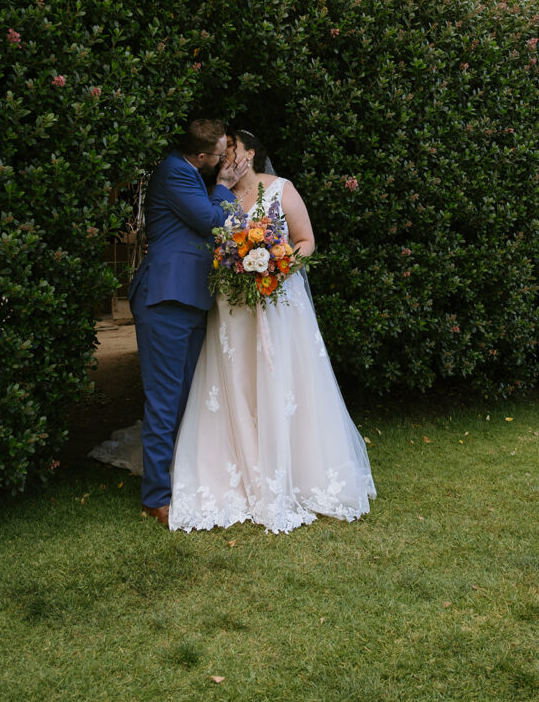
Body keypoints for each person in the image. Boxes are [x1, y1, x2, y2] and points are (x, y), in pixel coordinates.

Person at [168, 129, 376, 534]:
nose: (227, 156)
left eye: (234, 149)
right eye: (224, 151)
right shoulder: (218, 196)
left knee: (280, 381)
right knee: (238, 382)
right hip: (232, 308)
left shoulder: (279, 189)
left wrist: (277, 267)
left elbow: (305, 241)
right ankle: (234, 467)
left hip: (276, 304)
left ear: (251, 153)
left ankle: (291, 470)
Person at [128, 117, 248, 527]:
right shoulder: (175, 172)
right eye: (218, 155)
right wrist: (224, 188)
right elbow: (214, 222)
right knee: (164, 401)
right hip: (166, 297)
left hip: (191, 299)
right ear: (201, 155)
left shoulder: (192, 172)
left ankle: (177, 480)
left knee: (182, 399)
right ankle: (155, 498)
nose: (223, 161)